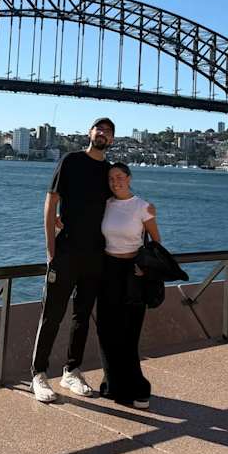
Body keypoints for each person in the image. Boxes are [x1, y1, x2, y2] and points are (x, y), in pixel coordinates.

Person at [30, 117, 115, 403]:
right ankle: (38, 375)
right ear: (90, 133)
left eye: (108, 131)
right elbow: (50, 202)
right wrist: (50, 249)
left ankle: (71, 371)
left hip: (95, 254)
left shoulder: (109, 172)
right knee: (52, 314)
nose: (103, 133)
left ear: (112, 140)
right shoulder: (71, 161)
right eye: (99, 128)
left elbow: (117, 208)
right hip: (66, 251)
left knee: (82, 316)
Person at [97, 162, 161, 409]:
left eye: (120, 177)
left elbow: (156, 242)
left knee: (129, 333)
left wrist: (145, 268)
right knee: (106, 330)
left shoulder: (143, 206)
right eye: (111, 179)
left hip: (134, 272)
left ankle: (140, 389)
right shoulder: (106, 204)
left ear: (129, 178)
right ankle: (113, 385)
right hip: (108, 269)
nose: (116, 182)